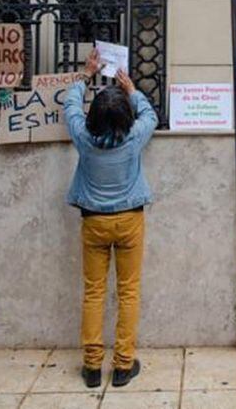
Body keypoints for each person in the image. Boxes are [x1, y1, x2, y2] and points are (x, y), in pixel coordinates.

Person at [63, 48, 158, 389]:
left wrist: (86, 74)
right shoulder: (134, 138)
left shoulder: (84, 140)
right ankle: (122, 365)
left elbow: (70, 106)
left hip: (94, 222)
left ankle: (91, 366)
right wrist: (131, 90)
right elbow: (150, 115)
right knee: (129, 292)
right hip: (130, 220)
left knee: (93, 292)